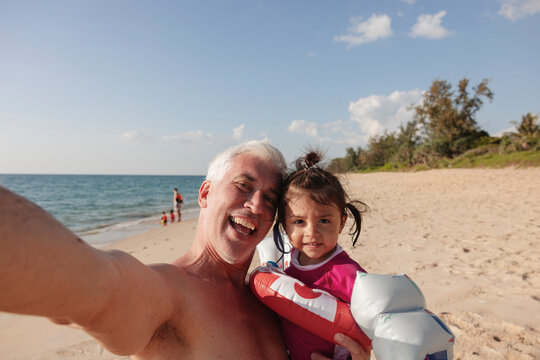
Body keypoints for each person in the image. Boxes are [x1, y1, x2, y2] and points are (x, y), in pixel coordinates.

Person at [0, 140, 370, 360]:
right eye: (243, 186)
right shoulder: (169, 291)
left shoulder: (269, 297)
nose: (256, 205)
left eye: (270, 199)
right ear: (205, 194)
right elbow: (93, 283)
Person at [272, 150, 369, 360]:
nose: (311, 233)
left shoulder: (348, 274)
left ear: (341, 222)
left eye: (324, 221)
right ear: (285, 226)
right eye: (299, 222)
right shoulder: (287, 269)